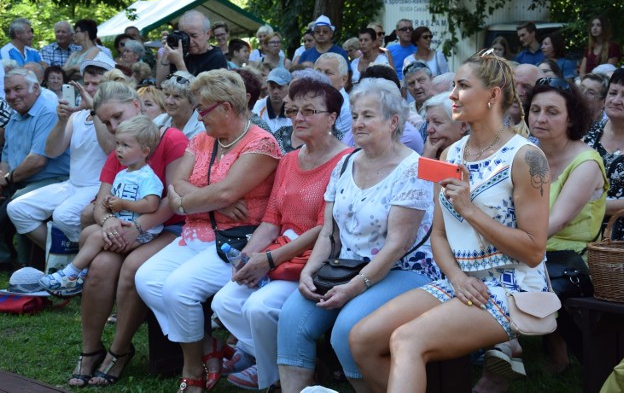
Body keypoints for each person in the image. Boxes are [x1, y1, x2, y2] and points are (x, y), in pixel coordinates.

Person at [349, 50, 551, 393]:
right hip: (461, 281)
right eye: (454, 85)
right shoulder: (450, 154)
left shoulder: (528, 157)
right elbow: (439, 235)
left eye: (462, 86)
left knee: (406, 340)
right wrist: (456, 276)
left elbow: (533, 252)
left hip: (514, 287)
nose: (452, 94)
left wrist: (470, 210)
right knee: (362, 339)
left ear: (493, 95)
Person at [276, 78, 440, 393]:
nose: (357, 123)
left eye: (367, 115)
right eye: (355, 115)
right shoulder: (347, 162)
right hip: (345, 265)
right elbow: (329, 231)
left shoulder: (413, 168)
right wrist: (309, 271)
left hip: (402, 270)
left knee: (347, 331)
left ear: (393, 122)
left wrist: (354, 288)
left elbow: (397, 246)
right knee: (292, 320)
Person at [135, 69, 281, 392]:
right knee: (146, 279)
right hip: (195, 234)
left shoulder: (262, 143)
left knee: (178, 289)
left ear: (226, 108)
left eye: (203, 109)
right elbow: (176, 184)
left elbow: (225, 193)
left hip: (235, 240)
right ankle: (207, 349)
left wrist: (195, 200)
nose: (198, 117)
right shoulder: (201, 139)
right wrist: (209, 201)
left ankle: (193, 371)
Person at [212, 77, 352, 390]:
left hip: (316, 261)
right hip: (278, 254)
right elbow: (272, 219)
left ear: (332, 118)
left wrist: (270, 258)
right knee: (224, 302)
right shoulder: (288, 160)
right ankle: (278, 361)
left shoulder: (346, 162)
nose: (298, 118)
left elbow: (325, 228)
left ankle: (274, 378)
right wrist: (249, 255)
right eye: (294, 111)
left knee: (259, 307)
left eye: (310, 111)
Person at [66, 81, 189, 387]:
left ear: (136, 105)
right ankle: (90, 349)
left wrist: (136, 229)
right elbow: (101, 201)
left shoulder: (172, 139)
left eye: (117, 116)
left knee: (134, 268)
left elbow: (171, 200)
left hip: (171, 226)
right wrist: (107, 221)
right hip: (125, 227)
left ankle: (119, 350)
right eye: (106, 122)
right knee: (101, 267)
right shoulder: (122, 149)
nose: (112, 126)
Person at [525, 76, 608, 374]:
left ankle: (501, 358)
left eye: (552, 111)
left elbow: (556, 222)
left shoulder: (586, 161)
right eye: (535, 110)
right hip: (533, 248)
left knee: (512, 277)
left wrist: (504, 246)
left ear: (571, 117)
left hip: (574, 257)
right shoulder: (529, 154)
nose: (541, 118)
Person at [39, 116, 163, 296]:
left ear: (144, 151)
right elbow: (119, 198)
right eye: (118, 144)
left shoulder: (148, 177)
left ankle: (70, 274)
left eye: (126, 146)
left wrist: (123, 204)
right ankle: (82, 273)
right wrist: (110, 203)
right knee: (88, 232)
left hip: (142, 233)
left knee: (96, 237)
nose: (119, 150)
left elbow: (151, 204)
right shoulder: (123, 173)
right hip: (123, 224)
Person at [6, 59, 113, 265]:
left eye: (95, 84)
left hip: (98, 186)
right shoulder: (78, 114)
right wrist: (62, 120)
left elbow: (109, 148)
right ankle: (66, 259)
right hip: (72, 184)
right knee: (17, 208)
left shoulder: (113, 114)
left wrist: (94, 110)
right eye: (87, 83)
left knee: (63, 215)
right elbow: (52, 151)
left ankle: (79, 265)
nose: (89, 88)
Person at [0, 69, 70, 268]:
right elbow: (6, 155)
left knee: (12, 208)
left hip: (52, 180)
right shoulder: (15, 116)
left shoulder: (47, 111)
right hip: (21, 178)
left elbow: (38, 161)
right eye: (7, 91)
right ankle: (9, 260)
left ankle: (61, 260)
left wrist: (7, 180)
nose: (12, 96)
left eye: (18, 89)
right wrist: (2, 178)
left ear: (36, 88)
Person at [584, 66, 624, 239]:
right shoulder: (588, 132)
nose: (616, 100)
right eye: (613, 92)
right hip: (581, 231)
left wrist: (600, 206)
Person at [156, 10, 228, 85]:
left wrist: (179, 63)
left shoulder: (216, 58)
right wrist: (167, 52)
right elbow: (160, 84)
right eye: (184, 36)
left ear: (208, 34)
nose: (189, 41)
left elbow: (200, 94)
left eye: (194, 36)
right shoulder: (180, 53)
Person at [153, 71, 204, 139]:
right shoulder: (159, 121)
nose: (169, 101)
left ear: (193, 102)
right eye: (167, 95)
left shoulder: (202, 130)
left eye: (177, 96)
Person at [422, 92, 469, 160]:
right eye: (427, 122)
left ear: (462, 126)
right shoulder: (428, 152)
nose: (429, 130)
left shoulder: (474, 158)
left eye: (437, 122)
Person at [315, 52, 352, 135]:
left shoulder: (347, 109)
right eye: (318, 71)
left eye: (328, 73)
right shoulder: (308, 99)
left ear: (343, 80)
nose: (321, 76)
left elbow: (329, 138)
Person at [252, 68, 292, 133]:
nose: (275, 91)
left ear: (289, 87)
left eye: (280, 87)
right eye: (272, 86)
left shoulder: (294, 111)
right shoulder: (256, 108)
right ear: (267, 86)